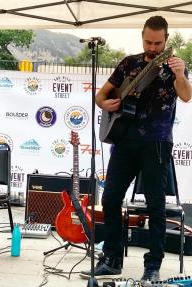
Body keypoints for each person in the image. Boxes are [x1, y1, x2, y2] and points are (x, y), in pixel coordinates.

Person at [80, 16, 192, 281]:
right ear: (142, 36)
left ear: (167, 40)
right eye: (148, 41)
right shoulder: (128, 63)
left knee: (155, 205)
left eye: (158, 43)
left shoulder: (174, 66)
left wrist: (179, 74)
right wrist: (104, 104)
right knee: (109, 199)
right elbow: (101, 94)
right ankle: (112, 258)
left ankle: (152, 265)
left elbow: (186, 95)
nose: (152, 47)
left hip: (156, 142)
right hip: (124, 140)